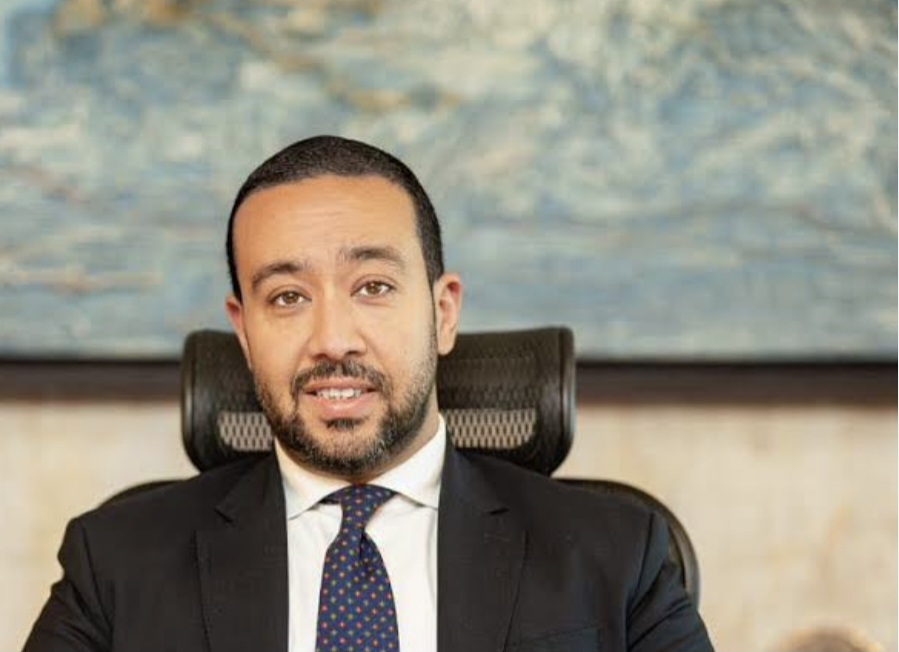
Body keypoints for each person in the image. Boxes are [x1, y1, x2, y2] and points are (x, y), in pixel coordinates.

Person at [24, 135, 715, 652]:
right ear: (244, 332)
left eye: (374, 287)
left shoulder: (617, 554)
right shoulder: (113, 563)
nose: (333, 340)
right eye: (287, 297)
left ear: (443, 312)